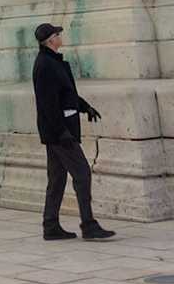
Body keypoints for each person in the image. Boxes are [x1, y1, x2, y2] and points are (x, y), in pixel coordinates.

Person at [32, 23, 115, 242]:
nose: (60, 36)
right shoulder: (45, 65)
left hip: (59, 131)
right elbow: (48, 103)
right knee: (82, 174)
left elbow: (65, 93)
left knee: (57, 178)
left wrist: (85, 107)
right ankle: (88, 225)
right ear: (51, 40)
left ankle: (51, 226)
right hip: (59, 132)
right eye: (57, 34)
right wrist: (61, 132)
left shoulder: (53, 62)